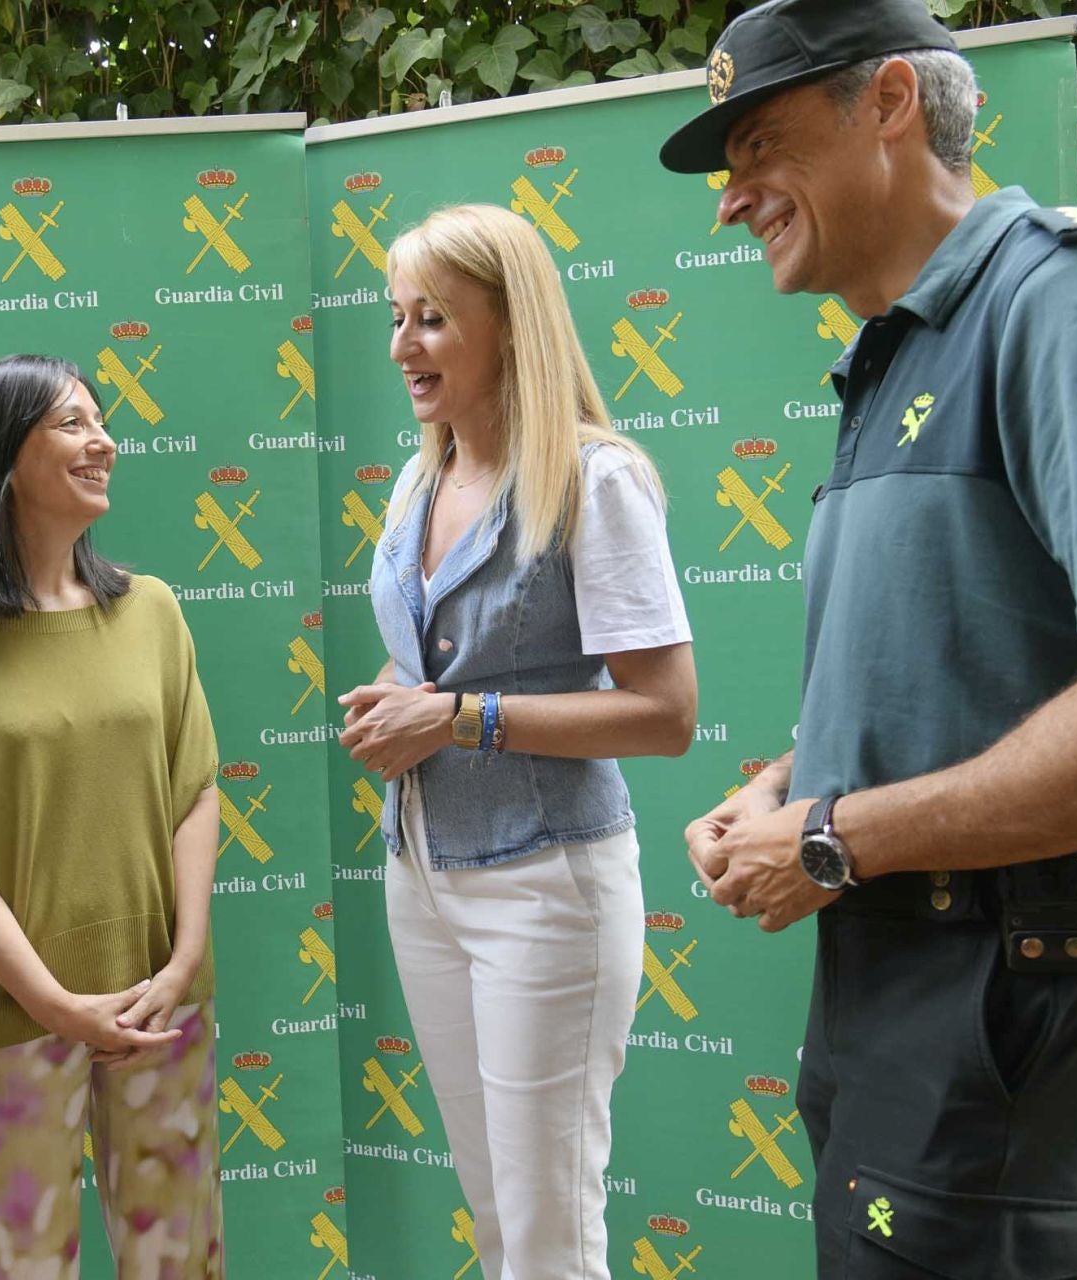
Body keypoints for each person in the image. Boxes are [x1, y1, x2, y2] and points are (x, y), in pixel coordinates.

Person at [662, 1, 1077, 1275]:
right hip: (903, 974)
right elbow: (971, 667)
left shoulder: (1074, 308)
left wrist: (832, 836)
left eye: (760, 144)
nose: (734, 197)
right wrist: (791, 786)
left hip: (1003, 980)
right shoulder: (899, 357)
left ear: (887, 102)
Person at [336, 203, 698, 1280]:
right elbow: (438, 664)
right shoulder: (419, 480)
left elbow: (667, 713)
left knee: (549, 1237)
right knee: (499, 1222)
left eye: (432, 319)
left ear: (511, 326)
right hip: (423, 877)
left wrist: (455, 715)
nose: (402, 345)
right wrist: (404, 701)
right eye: (398, 318)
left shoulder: (598, 481)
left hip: (549, 888)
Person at [0, 353, 224, 1278]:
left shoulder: (153, 613)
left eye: (101, 421)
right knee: (8, 1267)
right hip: (1, 1012)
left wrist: (181, 962)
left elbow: (194, 792)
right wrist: (52, 1002)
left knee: (179, 1261)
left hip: (156, 1003)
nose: (103, 440)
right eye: (71, 423)